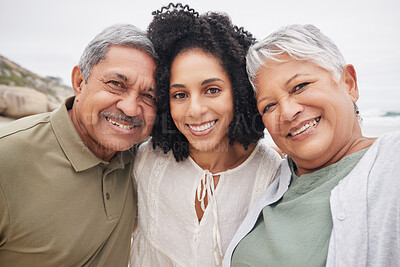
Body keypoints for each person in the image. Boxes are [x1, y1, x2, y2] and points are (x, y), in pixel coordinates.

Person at [222, 24, 400, 266]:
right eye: (269, 106)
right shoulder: (271, 177)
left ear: (349, 84)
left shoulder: (391, 164)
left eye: (300, 86)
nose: (287, 112)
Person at [130, 3, 283, 267]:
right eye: (180, 95)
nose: (195, 110)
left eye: (212, 90)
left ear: (238, 91)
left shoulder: (273, 176)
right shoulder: (143, 162)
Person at [0, 24, 157, 266]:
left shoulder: (142, 160)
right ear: (80, 82)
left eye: (149, 96)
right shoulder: (7, 158)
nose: (130, 108)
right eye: (116, 84)